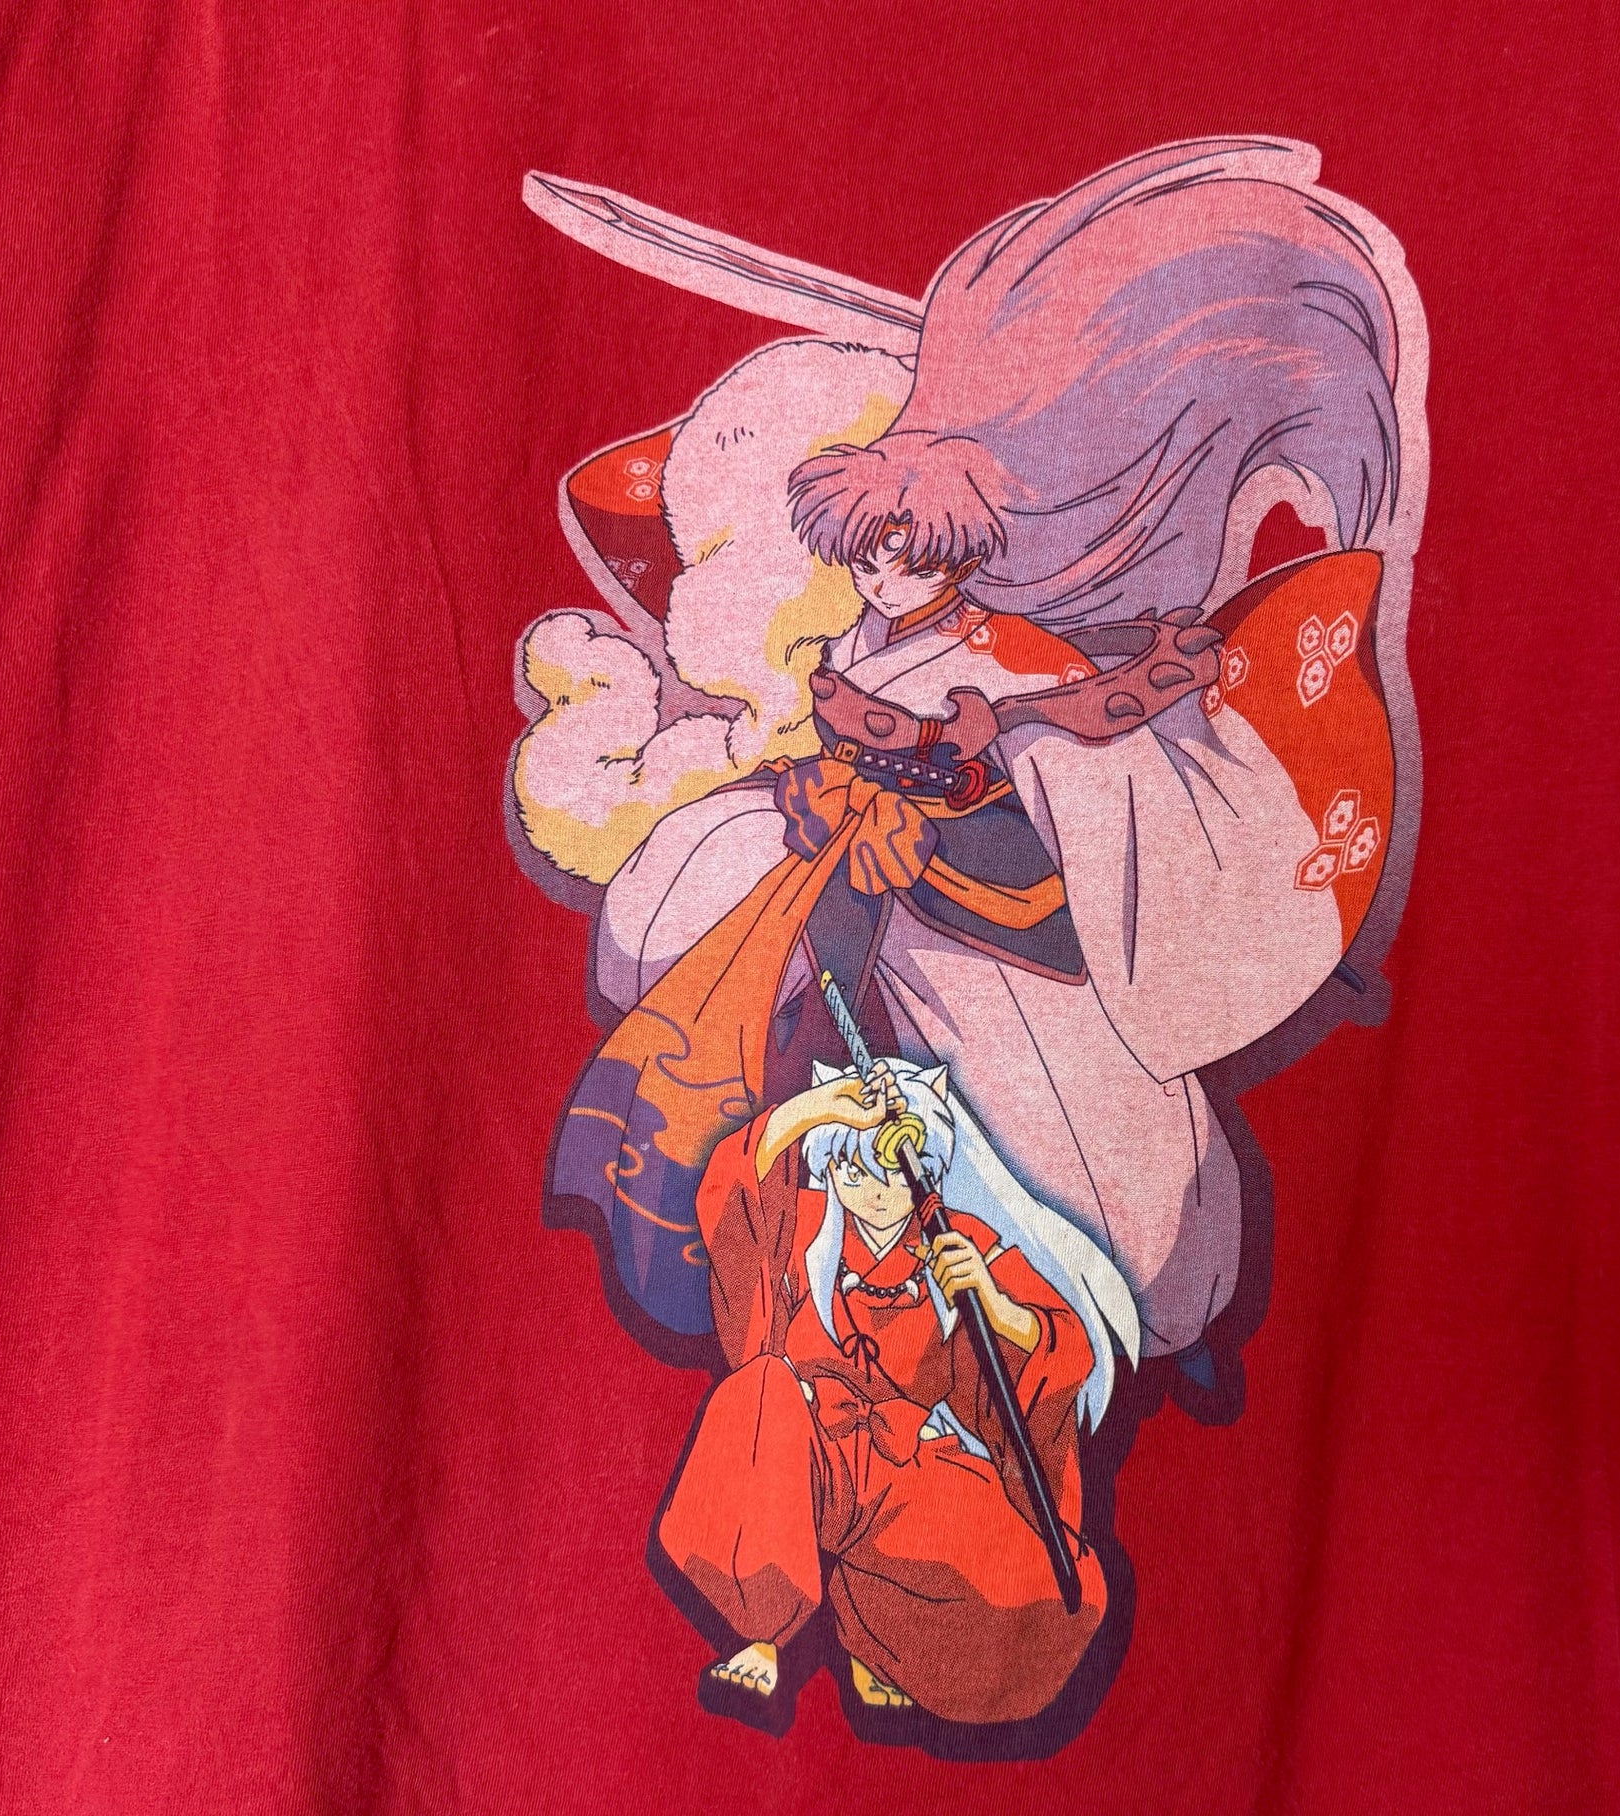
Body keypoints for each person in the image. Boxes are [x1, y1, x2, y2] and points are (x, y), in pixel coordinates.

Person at [550, 139, 1402, 1374]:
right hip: (842, 908)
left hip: (980, 947)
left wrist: (979, 781)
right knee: (713, 954)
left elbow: (1078, 757)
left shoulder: (1010, 660)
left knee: (1082, 1191)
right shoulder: (856, 640)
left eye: (911, 550)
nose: (885, 572)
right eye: (869, 547)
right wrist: (820, 800)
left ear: (962, 546)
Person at [656, 1058, 1126, 1724]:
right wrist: (820, 1108)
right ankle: (762, 1633)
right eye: (852, 1171)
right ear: (829, 1169)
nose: (875, 1192)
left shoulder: (960, 1241)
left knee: (1042, 1588)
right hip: (803, 1444)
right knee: (756, 1395)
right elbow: (731, 1196)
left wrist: (996, 1308)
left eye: (892, 1175)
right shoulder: (800, 1223)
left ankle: (878, 1640)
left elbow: (1062, 1347)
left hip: (908, 1462)